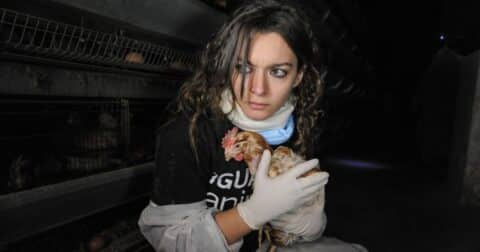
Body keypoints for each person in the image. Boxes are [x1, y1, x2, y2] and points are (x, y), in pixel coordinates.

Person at [138, 0, 367, 251]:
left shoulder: (296, 127)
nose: (257, 89)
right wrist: (252, 214)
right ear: (227, 66)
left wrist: (304, 219)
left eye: (277, 72)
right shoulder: (188, 132)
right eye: (244, 67)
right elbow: (173, 243)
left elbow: (300, 231)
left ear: (299, 76)